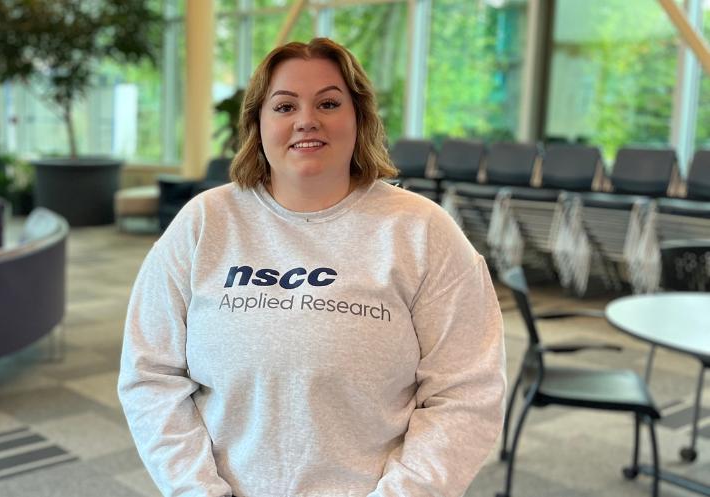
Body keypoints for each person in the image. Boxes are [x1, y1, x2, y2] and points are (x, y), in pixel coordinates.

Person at [118, 38, 506, 497]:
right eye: (284, 106)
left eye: (328, 102)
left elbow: (467, 393)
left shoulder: (422, 232)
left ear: (358, 117)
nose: (307, 120)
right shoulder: (205, 223)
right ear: (257, 124)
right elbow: (150, 376)